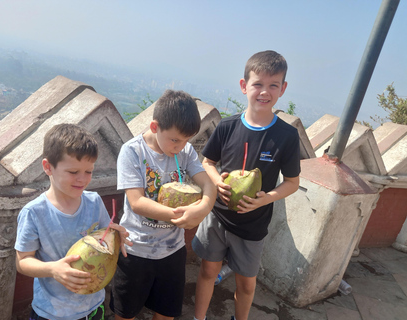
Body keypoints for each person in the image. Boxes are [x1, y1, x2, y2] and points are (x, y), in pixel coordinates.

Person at [192, 50, 301, 320]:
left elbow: (292, 182)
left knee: (247, 284)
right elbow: (207, 162)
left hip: (253, 225)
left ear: (283, 89)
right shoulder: (228, 127)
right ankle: (198, 317)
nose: (265, 92)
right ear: (244, 86)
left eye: (273, 85)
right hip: (218, 215)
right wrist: (219, 182)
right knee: (207, 271)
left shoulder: (286, 136)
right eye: (258, 84)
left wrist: (266, 198)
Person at [109, 89, 217, 320]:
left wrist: (204, 207)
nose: (180, 146)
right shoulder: (133, 152)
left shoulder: (185, 151)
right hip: (135, 249)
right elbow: (136, 202)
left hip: (173, 251)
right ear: (155, 127)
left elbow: (208, 185)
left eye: (186, 140)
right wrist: (178, 215)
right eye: (175, 139)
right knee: (125, 314)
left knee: (167, 313)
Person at [15, 123, 132, 320]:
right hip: (52, 312)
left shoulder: (94, 202)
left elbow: (104, 238)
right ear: (48, 167)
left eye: (89, 171)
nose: (82, 179)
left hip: (94, 307)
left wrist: (116, 236)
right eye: (73, 172)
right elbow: (23, 261)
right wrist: (53, 269)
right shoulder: (34, 212)